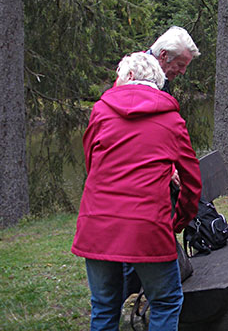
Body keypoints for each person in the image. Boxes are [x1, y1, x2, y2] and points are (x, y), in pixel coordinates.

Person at [72, 52, 201, 331]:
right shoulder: (171, 119)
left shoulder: (101, 111)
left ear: (129, 76)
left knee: (104, 306)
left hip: (98, 224)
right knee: (166, 301)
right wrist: (178, 221)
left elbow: (91, 164)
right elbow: (192, 181)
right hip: (148, 227)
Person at [146, 26, 201, 94]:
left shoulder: (158, 78)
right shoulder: (137, 82)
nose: (183, 72)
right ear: (163, 55)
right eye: (180, 65)